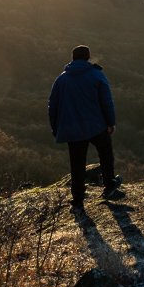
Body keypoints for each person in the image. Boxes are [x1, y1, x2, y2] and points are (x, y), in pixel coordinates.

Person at [48, 45, 123, 209]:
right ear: (88, 57)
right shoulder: (97, 75)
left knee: (77, 164)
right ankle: (109, 184)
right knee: (105, 153)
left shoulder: (61, 79)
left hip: (72, 129)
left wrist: (56, 129)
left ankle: (78, 199)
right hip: (96, 125)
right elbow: (107, 102)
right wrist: (110, 123)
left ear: (72, 58)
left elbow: (52, 106)